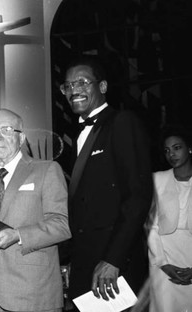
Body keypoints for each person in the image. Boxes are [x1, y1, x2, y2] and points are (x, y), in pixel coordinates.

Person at [60, 56, 153, 303]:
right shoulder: (76, 134)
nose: (73, 90)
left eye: (82, 82)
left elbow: (137, 198)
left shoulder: (122, 122)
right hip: (85, 262)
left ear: (102, 87)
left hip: (114, 265)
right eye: (67, 86)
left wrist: (113, 259)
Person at [0, 108, 71, 312]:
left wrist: (17, 235)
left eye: (6, 129)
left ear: (21, 138)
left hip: (35, 295)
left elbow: (61, 225)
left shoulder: (47, 169)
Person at [147, 126, 192, 311]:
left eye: (176, 148)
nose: (171, 154)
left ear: (189, 148)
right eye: (167, 150)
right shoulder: (157, 179)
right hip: (162, 255)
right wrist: (163, 264)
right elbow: (150, 226)